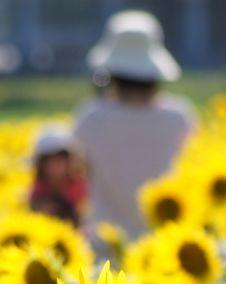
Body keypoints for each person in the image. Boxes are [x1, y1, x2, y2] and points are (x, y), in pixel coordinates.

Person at [73, 26, 195, 243]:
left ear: (111, 72)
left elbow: (76, 174)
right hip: (167, 247)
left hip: (105, 251)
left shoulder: (91, 118)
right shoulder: (180, 117)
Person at [28, 126, 86, 228]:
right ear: (41, 165)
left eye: (59, 162)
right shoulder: (40, 187)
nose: (55, 168)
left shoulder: (78, 184)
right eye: (50, 163)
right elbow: (31, 207)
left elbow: (85, 210)